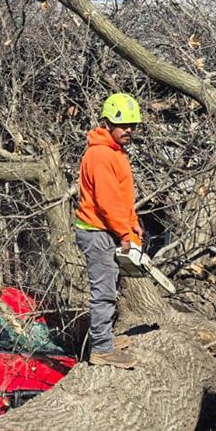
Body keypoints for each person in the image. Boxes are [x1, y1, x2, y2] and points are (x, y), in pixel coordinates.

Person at [75, 92, 143, 369]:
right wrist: (125, 234)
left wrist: (133, 223)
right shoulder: (101, 154)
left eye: (133, 124)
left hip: (106, 228)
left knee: (110, 285)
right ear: (107, 123)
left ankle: (106, 339)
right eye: (123, 124)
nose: (129, 130)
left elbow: (122, 196)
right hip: (97, 230)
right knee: (103, 291)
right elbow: (107, 201)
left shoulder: (115, 151)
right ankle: (102, 348)